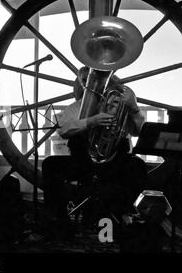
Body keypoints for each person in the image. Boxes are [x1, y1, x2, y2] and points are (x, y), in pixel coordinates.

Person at [42, 66, 148, 237]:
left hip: (115, 162)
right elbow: (63, 130)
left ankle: (130, 220)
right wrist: (90, 122)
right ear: (81, 83)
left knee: (138, 166)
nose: (93, 84)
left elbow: (138, 132)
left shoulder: (120, 104)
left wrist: (134, 108)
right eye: (86, 80)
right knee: (50, 165)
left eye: (101, 79)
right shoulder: (75, 107)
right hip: (83, 163)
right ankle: (59, 220)